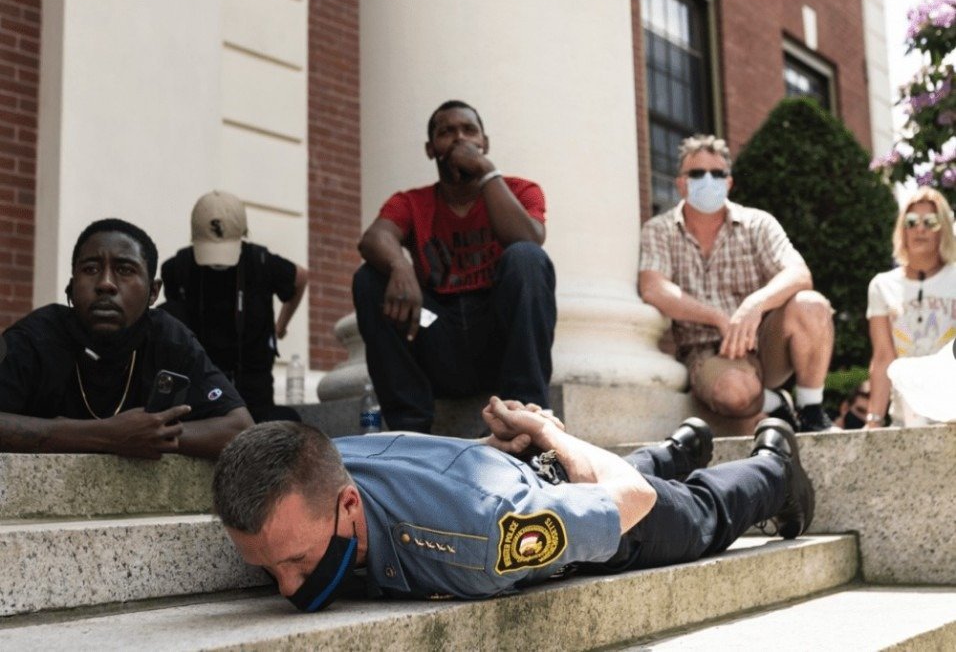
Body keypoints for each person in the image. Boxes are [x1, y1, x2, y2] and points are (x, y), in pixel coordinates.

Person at [213, 399, 813, 611]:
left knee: (697, 514)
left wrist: (545, 431)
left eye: (294, 560)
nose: (288, 589)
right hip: (515, 477)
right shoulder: (317, 460)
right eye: (270, 569)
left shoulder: (479, 541)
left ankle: (775, 466)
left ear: (347, 504)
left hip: (581, 506)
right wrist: (490, 449)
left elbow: (632, 497)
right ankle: (678, 446)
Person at [352, 100, 556, 432]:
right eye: (446, 132)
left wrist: (487, 172)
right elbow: (373, 238)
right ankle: (409, 428)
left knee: (527, 259)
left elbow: (529, 239)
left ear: (484, 143)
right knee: (369, 278)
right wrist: (400, 266)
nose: (459, 139)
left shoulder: (521, 191)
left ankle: (522, 418)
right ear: (431, 149)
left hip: (496, 341)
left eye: (469, 131)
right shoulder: (411, 202)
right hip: (437, 339)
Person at [0, 218, 253, 460]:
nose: (106, 283)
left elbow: (240, 429)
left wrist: (152, 434)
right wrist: (106, 436)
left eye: (124, 270)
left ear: (153, 292)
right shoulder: (36, 338)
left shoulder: (170, 339)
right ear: (71, 287)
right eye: (90, 269)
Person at [639, 134, 834, 433]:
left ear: (729, 183)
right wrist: (718, 318)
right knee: (735, 393)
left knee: (812, 304)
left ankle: (811, 410)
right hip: (705, 353)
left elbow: (799, 273)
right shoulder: (660, 230)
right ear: (681, 182)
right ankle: (772, 403)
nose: (708, 180)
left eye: (717, 173)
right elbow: (653, 287)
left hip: (762, 345)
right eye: (697, 173)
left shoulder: (758, 223)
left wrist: (755, 305)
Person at [161, 190, 308, 423]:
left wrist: (281, 325)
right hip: (201, 401)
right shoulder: (178, 269)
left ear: (242, 235)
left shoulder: (259, 262)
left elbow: (300, 277)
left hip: (254, 399)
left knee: (287, 423)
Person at [865, 187, 956, 428]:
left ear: (943, 228)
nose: (920, 228)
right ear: (902, 229)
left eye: (930, 221)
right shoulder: (882, 285)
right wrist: (874, 419)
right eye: (912, 221)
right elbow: (883, 356)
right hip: (904, 416)